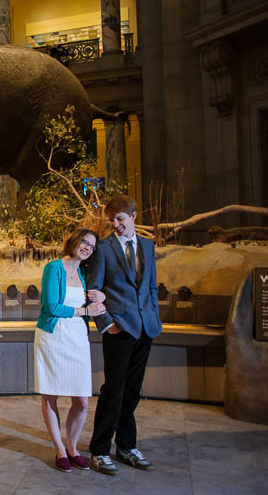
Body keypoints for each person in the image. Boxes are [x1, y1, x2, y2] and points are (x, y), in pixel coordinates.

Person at [87, 195, 162, 475]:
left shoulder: (148, 246)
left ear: (133, 216)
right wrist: (108, 324)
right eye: (112, 220)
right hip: (119, 329)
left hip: (145, 329)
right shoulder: (103, 249)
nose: (115, 224)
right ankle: (99, 449)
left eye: (120, 218)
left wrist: (153, 316)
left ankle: (126, 446)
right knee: (113, 390)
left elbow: (152, 287)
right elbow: (93, 291)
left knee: (132, 390)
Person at [35, 227, 107, 473]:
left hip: (77, 337)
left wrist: (102, 296)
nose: (87, 247)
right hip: (53, 335)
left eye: (92, 246)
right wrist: (86, 311)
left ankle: (73, 447)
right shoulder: (53, 268)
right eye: (84, 242)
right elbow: (52, 306)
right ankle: (60, 450)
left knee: (82, 401)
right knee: (50, 395)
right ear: (74, 241)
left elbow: (94, 299)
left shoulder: (86, 272)